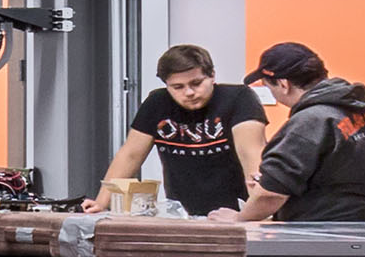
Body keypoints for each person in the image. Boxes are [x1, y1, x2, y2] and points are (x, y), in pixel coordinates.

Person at [240, 44, 365, 224]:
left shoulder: (310, 121)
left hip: (328, 236)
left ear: (283, 85)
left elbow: (270, 195)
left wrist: (238, 219)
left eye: (269, 88)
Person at [93, 43, 266, 219]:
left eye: (196, 83)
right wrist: (100, 203)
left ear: (212, 75)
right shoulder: (157, 103)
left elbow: (251, 153)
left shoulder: (238, 98)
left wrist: (255, 214)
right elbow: (130, 155)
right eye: (178, 87)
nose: (189, 92)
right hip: (183, 213)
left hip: (236, 210)